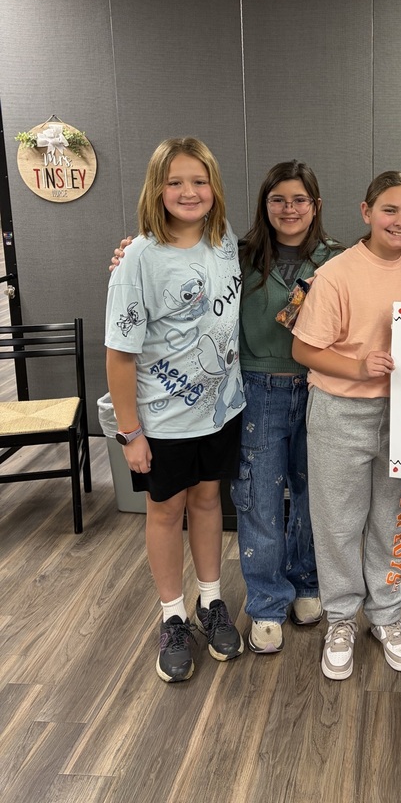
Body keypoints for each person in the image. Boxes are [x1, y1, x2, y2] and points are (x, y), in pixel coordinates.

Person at [102, 138, 245, 683]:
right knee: (166, 510)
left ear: (214, 188)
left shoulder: (224, 240)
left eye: (199, 181)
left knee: (209, 500)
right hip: (161, 420)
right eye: (176, 181)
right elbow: (119, 355)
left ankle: (210, 600)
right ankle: (173, 615)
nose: (189, 192)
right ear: (157, 189)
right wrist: (129, 432)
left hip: (219, 411)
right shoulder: (138, 257)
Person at [292, 171, 401, 680]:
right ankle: (341, 618)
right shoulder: (338, 273)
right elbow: (303, 348)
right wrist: (358, 366)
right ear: (366, 212)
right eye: (390, 210)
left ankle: (387, 616)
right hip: (340, 410)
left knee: (390, 518)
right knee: (338, 522)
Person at [234, 161, 342, 654]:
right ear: (265, 204)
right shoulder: (236, 256)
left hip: (322, 388)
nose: (289, 209)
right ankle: (265, 602)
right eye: (278, 199)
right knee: (258, 496)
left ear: (316, 205)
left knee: (313, 493)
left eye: (300, 199)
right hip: (258, 387)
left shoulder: (339, 258)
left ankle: (307, 583)